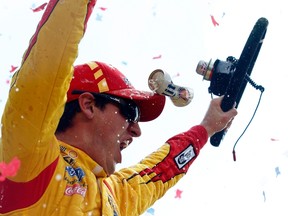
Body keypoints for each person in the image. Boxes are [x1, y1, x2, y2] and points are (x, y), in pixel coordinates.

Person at [0, 0, 237, 215]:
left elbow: (160, 169)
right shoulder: (31, 155)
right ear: (88, 105)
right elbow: (50, 58)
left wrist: (206, 128)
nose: (136, 130)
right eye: (130, 112)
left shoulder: (114, 194)